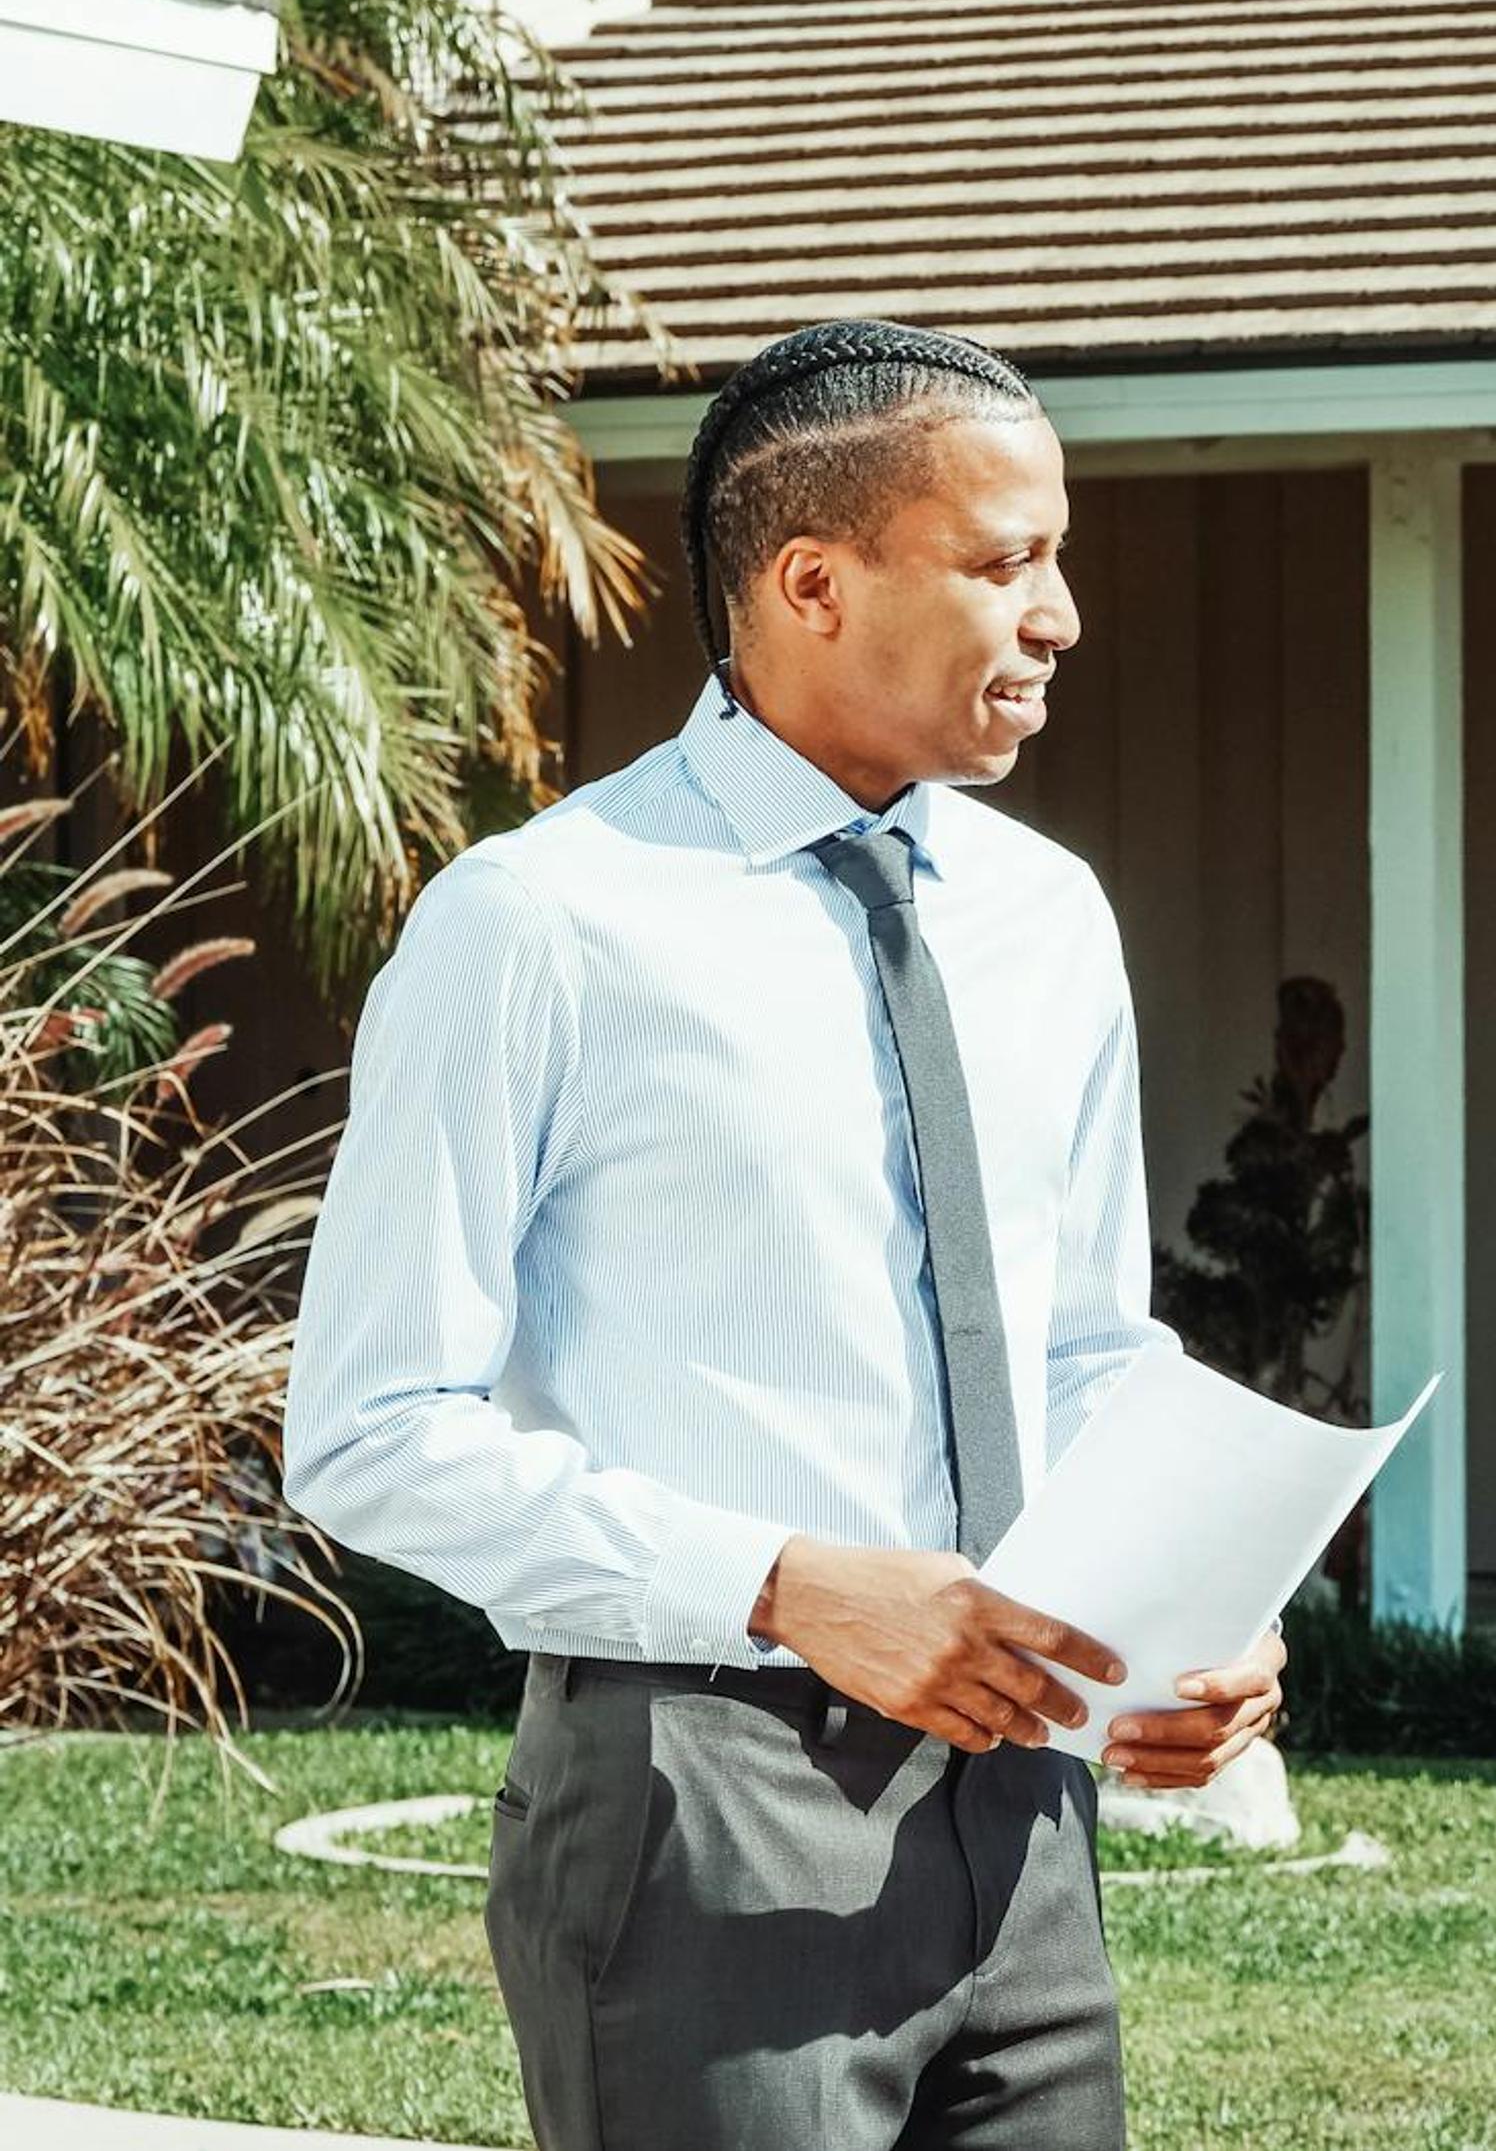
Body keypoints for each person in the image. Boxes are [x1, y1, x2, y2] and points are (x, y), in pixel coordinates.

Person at [283, 318, 1284, 2148]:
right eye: (1003, 563)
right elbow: (369, 1431)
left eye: (1057, 558)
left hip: (1029, 1819)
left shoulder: (1049, 918)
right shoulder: (541, 925)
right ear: (813, 584)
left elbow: (1080, 1345)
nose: (1060, 616)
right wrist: (789, 1586)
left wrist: (1190, 1622)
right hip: (701, 1807)